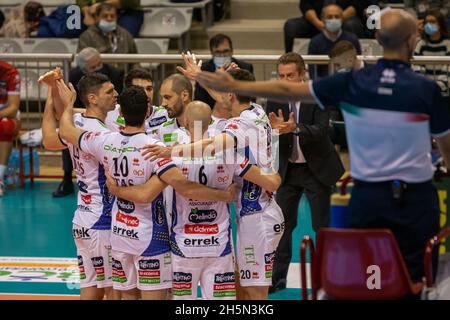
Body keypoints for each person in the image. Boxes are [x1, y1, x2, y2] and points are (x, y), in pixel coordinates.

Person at [194, 9, 450, 288]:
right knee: (416, 281)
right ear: (413, 40)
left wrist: (236, 83)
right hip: (415, 198)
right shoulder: (427, 89)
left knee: (370, 281)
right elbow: (446, 148)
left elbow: (290, 91)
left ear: (377, 38)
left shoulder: (352, 82)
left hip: (367, 199)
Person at [58, 85, 236, 300]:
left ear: (120, 113)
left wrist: (68, 105)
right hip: (150, 237)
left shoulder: (105, 140)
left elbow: (67, 132)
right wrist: (223, 196)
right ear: (147, 112)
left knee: (127, 296)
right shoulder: (155, 148)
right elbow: (181, 186)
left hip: (120, 233)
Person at [145, 69, 285, 300]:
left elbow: (212, 145)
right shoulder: (258, 111)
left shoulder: (235, 132)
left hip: (255, 218)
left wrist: (170, 151)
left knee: (255, 291)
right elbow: (273, 178)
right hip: (256, 216)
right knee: (246, 287)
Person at [265, 53, 345, 293]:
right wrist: (273, 132)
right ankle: (276, 279)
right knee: (281, 226)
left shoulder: (318, 96)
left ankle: (326, 278)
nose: (285, 80)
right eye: (281, 76)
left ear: (302, 75)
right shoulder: (275, 98)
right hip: (288, 171)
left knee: (322, 226)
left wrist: (295, 128)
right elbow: (269, 132)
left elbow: (322, 130)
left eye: (290, 75)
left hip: (317, 169)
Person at [42, 72, 118, 300]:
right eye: (110, 92)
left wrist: (51, 92)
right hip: (101, 221)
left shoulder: (75, 125)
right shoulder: (100, 134)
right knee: (114, 291)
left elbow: (48, 140)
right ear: (93, 98)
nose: (116, 95)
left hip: (82, 220)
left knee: (90, 288)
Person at [52, 48, 124, 198]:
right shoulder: (75, 77)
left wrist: (69, 109)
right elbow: (64, 116)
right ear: (83, 68)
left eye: (100, 64)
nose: (99, 68)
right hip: (89, 117)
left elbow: (119, 103)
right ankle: (67, 178)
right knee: (68, 138)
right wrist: (54, 91)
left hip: (103, 122)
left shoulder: (115, 74)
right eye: (93, 67)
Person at [194, 34, 254, 109]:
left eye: (225, 51)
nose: (222, 55)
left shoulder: (245, 68)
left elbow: (251, 97)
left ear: (232, 51)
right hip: (211, 114)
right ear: (212, 53)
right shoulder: (203, 69)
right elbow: (200, 100)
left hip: (239, 114)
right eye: (218, 52)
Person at [284, 0, 369, 53]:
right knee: (291, 26)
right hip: (317, 20)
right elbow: (306, 5)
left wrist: (337, 18)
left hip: (345, 18)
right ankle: (289, 63)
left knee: (352, 25)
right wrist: (319, 23)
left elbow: (358, 4)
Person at [77, 2, 137, 72]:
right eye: (105, 16)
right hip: (97, 78)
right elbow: (82, 64)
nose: (109, 19)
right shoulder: (86, 37)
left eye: (112, 16)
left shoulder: (126, 35)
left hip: (122, 78)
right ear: (96, 17)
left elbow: (135, 62)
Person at [105, 68, 168, 134]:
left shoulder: (164, 114)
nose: (146, 94)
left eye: (149, 89)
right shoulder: (109, 114)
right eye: (139, 89)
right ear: (128, 91)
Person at [308, 4, 362, 79]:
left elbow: (358, 67)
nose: (333, 19)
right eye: (329, 17)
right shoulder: (315, 42)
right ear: (323, 19)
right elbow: (313, 72)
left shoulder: (352, 39)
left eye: (337, 17)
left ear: (342, 19)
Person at [414, 9, 450, 98]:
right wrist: (425, 86)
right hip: (424, 92)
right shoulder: (420, 44)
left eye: (432, 22)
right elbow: (417, 69)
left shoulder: (447, 44)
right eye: (426, 22)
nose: (429, 25)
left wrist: (436, 87)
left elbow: (447, 72)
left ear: (440, 24)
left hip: (444, 93)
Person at [0, 61, 20, 197]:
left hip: (6, 115)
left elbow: (13, 108)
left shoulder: (10, 72)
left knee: (5, 125)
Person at [77, 0, 144, 37]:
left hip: (127, 9)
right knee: (73, 29)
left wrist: (102, 5)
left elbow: (132, 1)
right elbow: (82, 2)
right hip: (95, 10)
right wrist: (87, 13)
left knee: (125, 35)